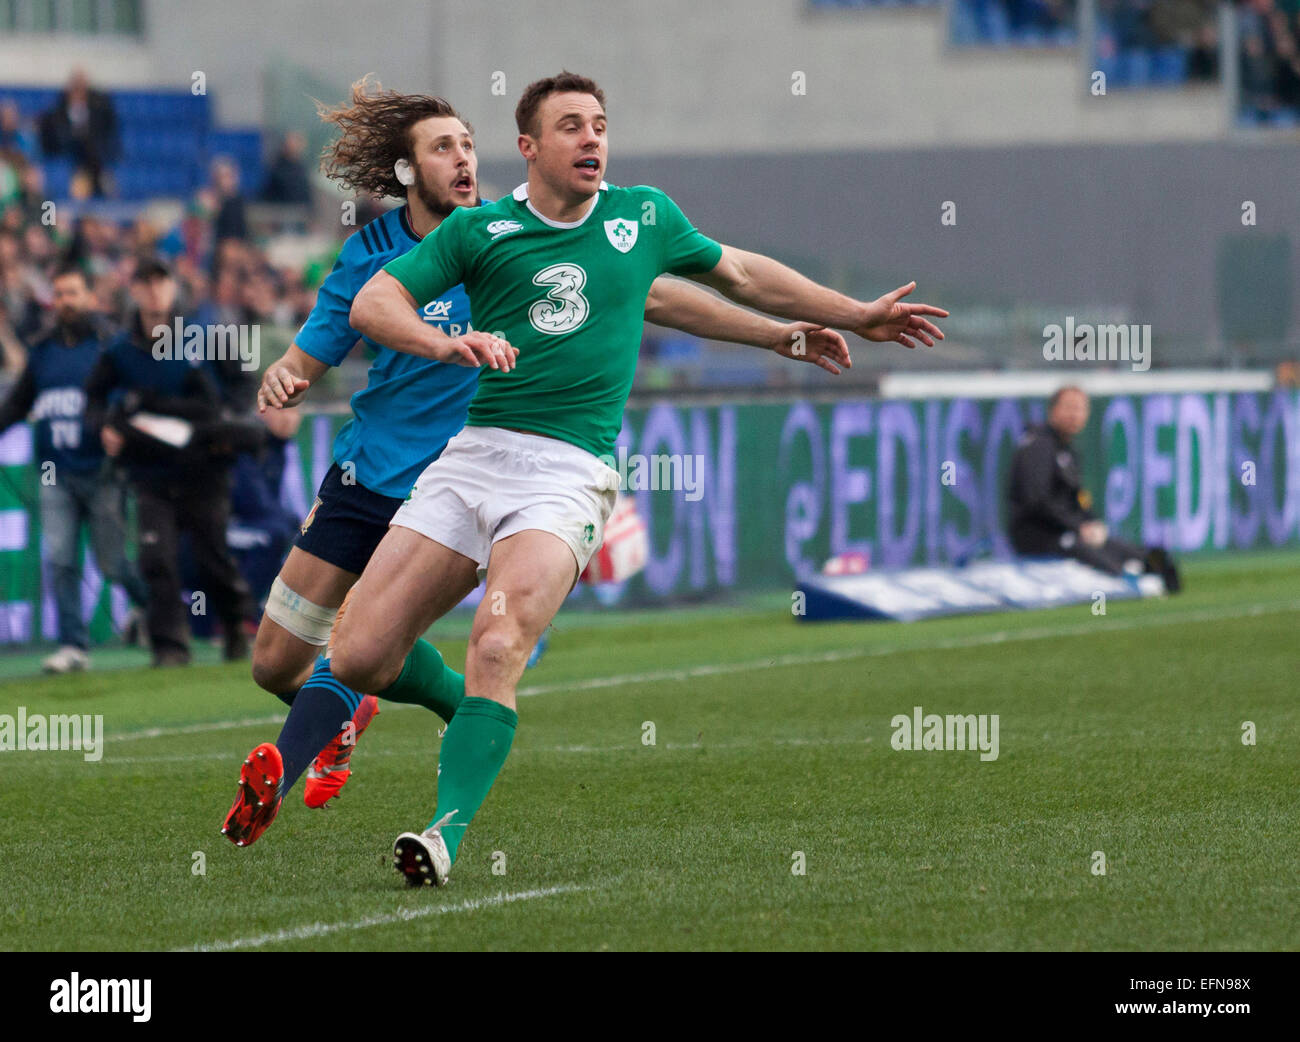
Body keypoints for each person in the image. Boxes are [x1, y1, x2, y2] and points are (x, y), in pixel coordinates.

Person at [313, 70, 943, 886]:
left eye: (601, 124)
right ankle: (459, 708)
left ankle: (445, 831)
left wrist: (847, 316)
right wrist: (446, 343)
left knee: (498, 644)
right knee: (358, 655)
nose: (593, 139)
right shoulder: (482, 232)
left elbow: (735, 276)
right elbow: (374, 303)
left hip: (564, 473)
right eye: (571, 125)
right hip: (472, 458)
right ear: (529, 147)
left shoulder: (642, 216)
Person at [84, 257, 257, 667]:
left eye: (160, 281)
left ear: (173, 287)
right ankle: (169, 646)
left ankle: (234, 625)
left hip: (204, 469)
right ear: (134, 290)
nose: (154, 290)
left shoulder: (207, 335)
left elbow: (243, 386)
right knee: (155, 558)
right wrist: (104, 427)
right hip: (150, 471)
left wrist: (225, 427)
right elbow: (93, 398)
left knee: (213, 557)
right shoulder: (120, 350)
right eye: (144, 282)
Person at [0, 264, 148, 671]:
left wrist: (120, 429)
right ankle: (73, 645)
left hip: (101, 472)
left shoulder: (110, 345)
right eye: (59, 294)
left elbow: (134, 396)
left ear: (90, 298)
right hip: (56, 474)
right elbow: (18, 403)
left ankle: (152, 609)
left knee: (113, 563)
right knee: (61, 559)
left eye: (73, 293)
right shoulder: (42, 350)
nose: (65, 302)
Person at [1007, 384, 1181, 590]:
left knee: (1154, 558)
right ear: (1052, 410)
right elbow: (1037, 500)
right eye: (1069, 408)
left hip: (1071, 531)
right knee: (1113, 571)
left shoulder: (1066, 451)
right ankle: (1134, 580)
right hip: (1041, 536)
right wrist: (1078, 527)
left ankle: (1147, 574)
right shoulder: (1038, 446)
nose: (1075, 415)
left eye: (1080, 409)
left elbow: (1077, 500)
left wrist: (1091, 523)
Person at [38, 69, 119, 198]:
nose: (78, 90)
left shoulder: (97, 109)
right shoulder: (58, 113)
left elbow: (107, 133)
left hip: (92, 160)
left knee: (96, 159)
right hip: (71, 157)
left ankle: (102, 190)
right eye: (76, 86)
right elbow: (56, 139)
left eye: (81, 86)